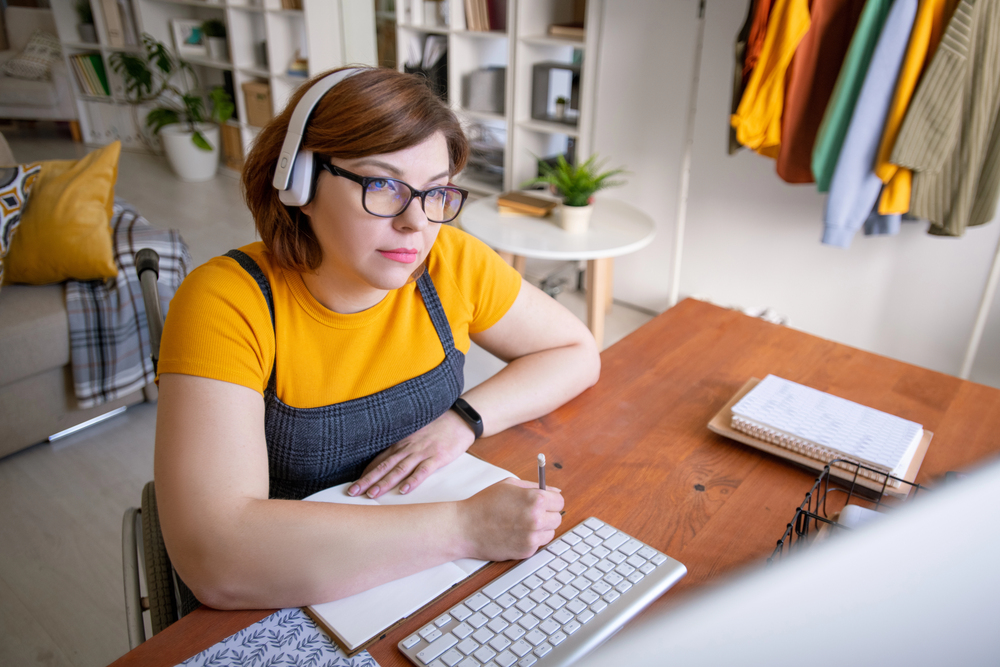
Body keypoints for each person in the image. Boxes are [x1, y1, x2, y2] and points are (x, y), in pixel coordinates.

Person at [154, 66, 601, 610]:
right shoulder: (228, 302)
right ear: (299, 182)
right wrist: (466, 526)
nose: (417, 222)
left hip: (424, 572)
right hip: (293, 581)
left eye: (435, 192)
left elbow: (575, 352)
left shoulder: (450, 261)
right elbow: (216, 558)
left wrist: (463, 420)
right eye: (384, 185)